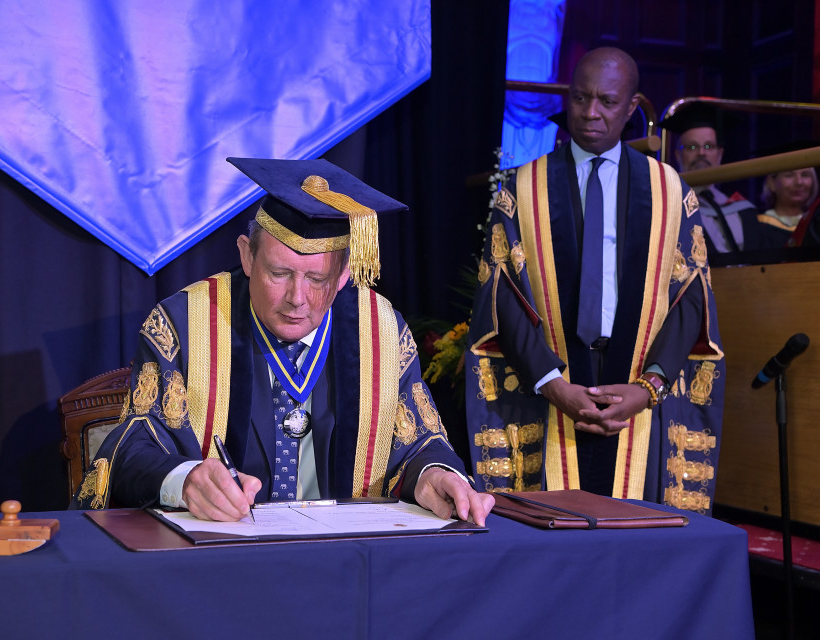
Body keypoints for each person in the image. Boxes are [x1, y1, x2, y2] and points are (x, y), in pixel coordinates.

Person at [73, 157, 494, 525]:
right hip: (222, 563)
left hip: (344, 562)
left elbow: (417, 440)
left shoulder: (381, 331)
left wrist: (433, 474)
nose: (297, 299)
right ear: (247, 255)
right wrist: (185, 482)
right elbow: (132, 449)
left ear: (344, 276)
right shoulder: (183, 325)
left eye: (317, 279)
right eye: (279, 274)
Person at [465, 47, 725, 514]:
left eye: (607, 101)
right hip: (551, 384)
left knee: (635, 536)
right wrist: (552, 382)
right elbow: (502, 296)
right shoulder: (523, 189)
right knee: (551, 535)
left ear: (631, 107)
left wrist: (650, 387)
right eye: (581, 98)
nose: (590, 113)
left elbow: (691, 298)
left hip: (636, 382)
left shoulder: (670, 191)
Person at [658, 102, 776, 253]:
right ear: (678, 155)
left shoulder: (741, 208)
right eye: (692, 147)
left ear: (720, 154)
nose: (701, 153)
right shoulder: (667, 209)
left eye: (708, 146)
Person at [760, 164, 819, 244]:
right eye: (789, 175)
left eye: (805, 175)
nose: (799, 182)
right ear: (772, 183)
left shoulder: (815, 225)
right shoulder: (758, 225)